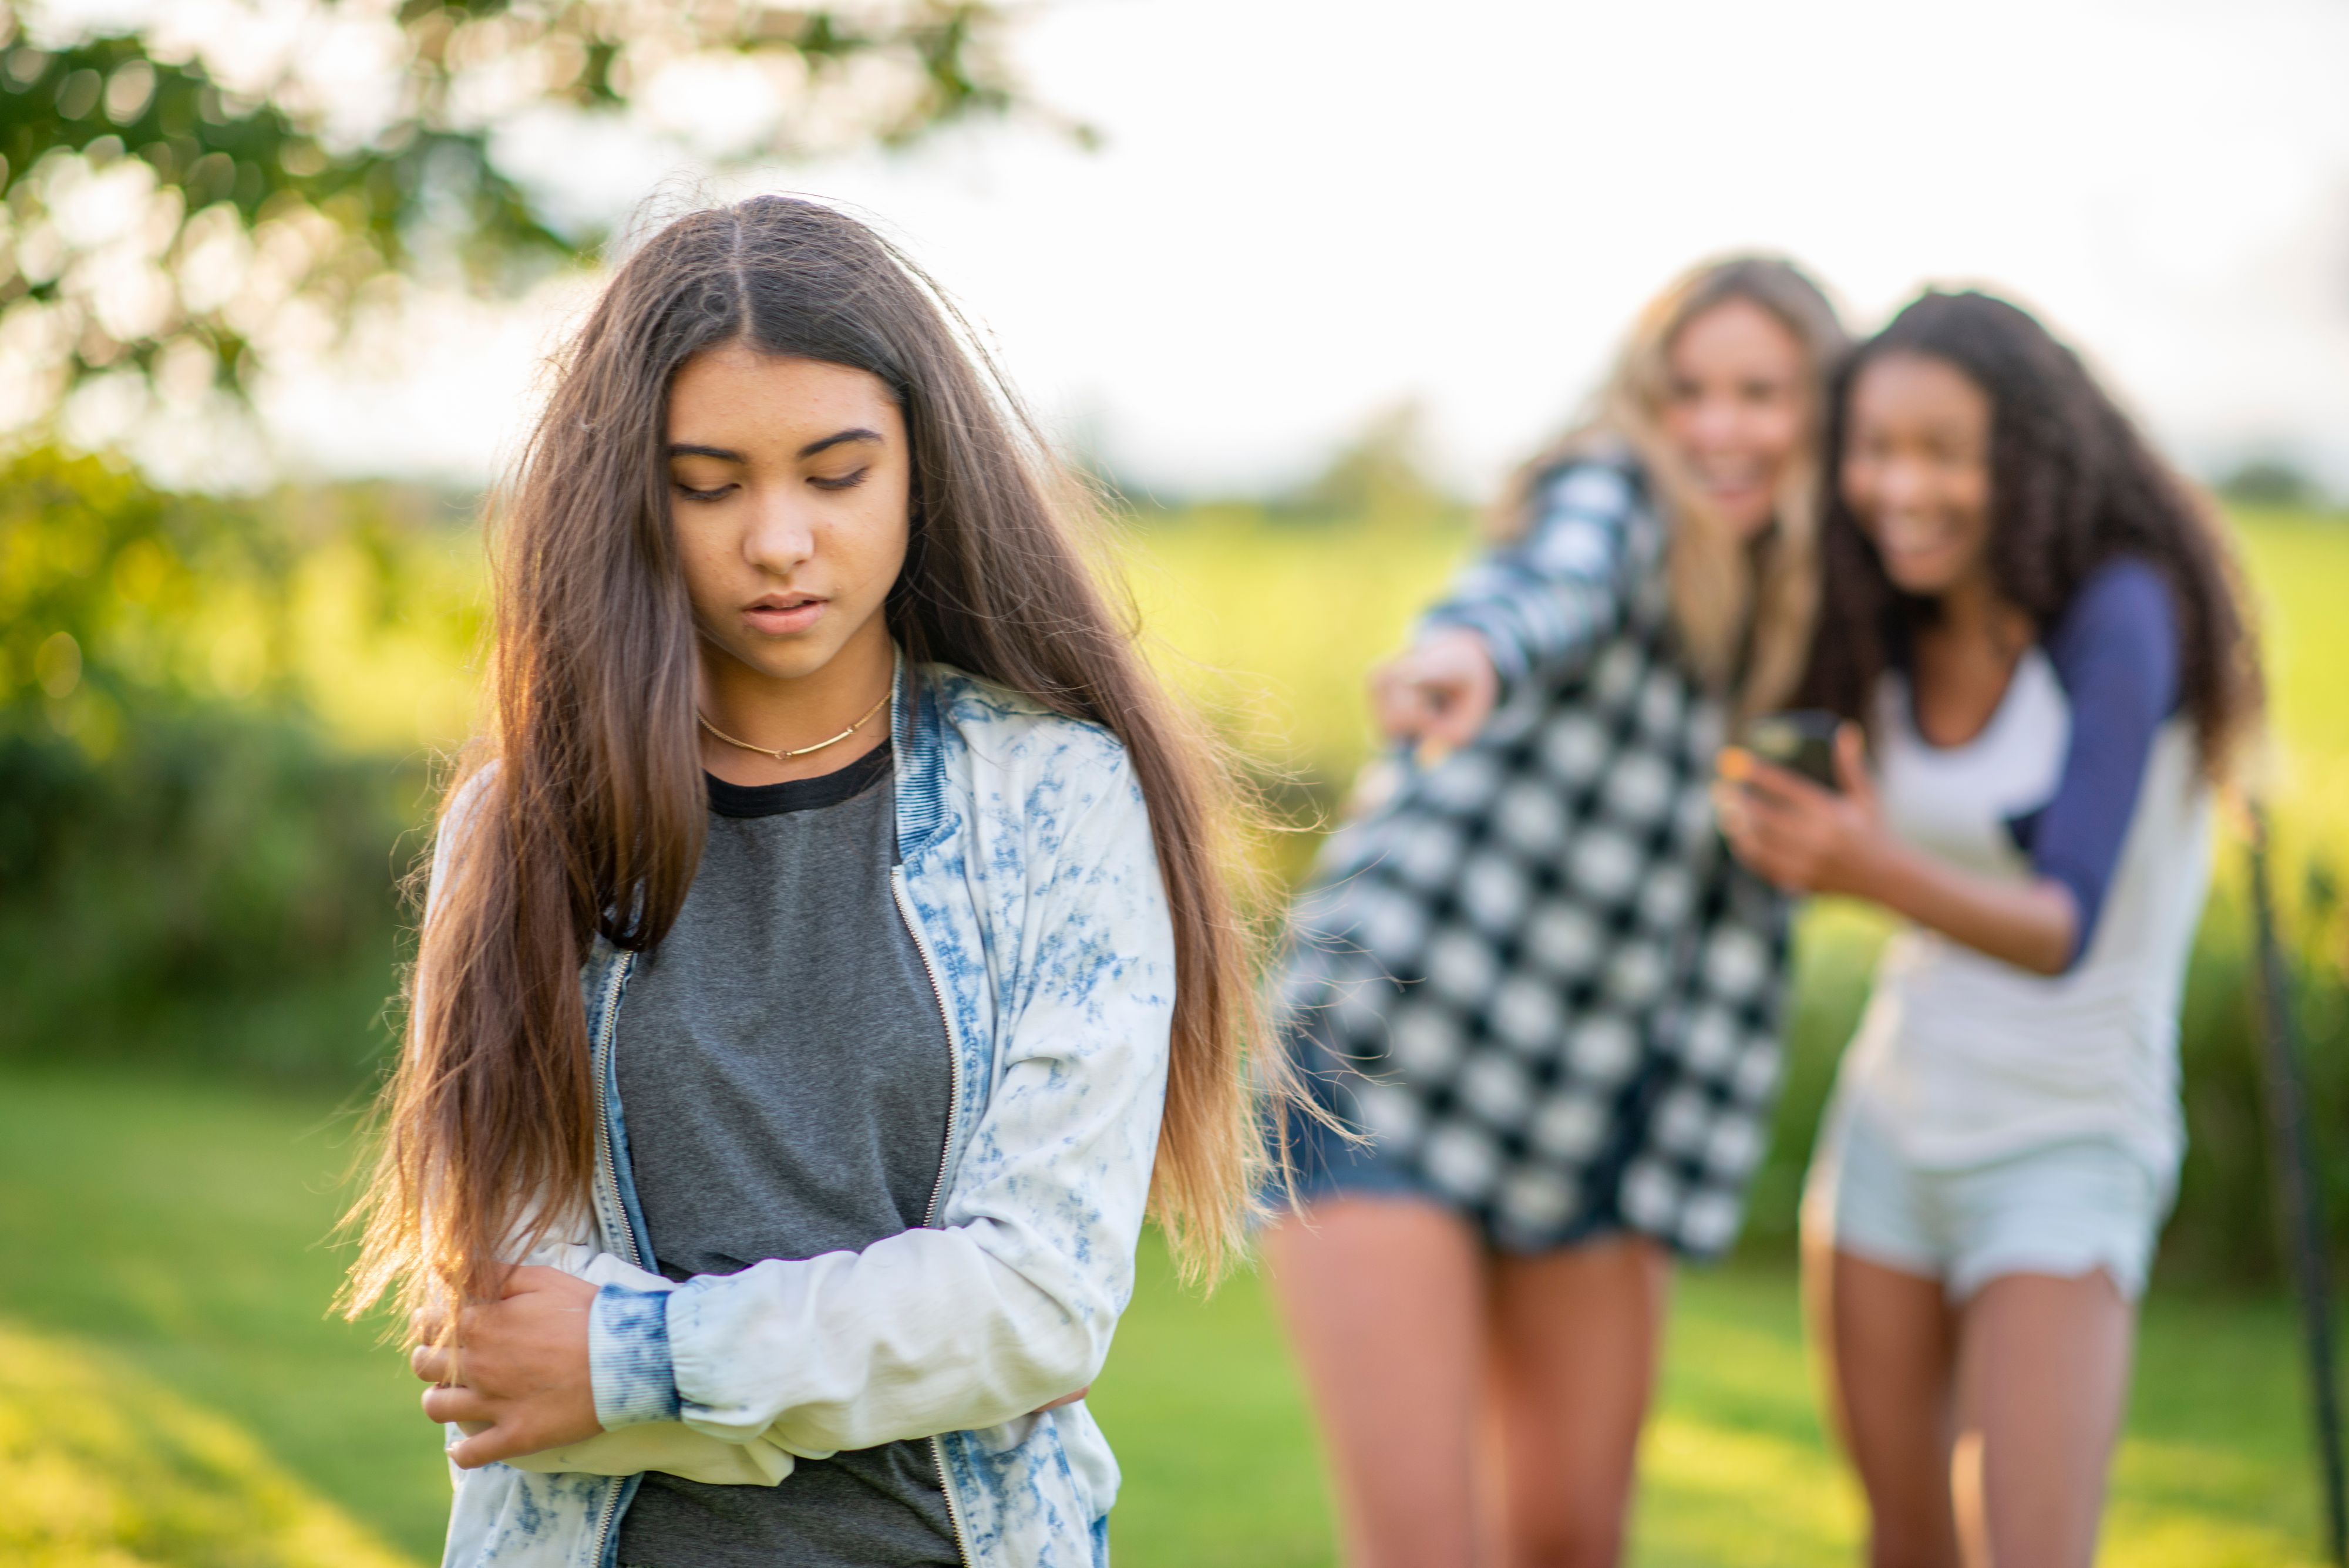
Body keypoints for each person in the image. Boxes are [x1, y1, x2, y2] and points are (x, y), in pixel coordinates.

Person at [339, 196, 1269, 1568]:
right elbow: (501, 1342)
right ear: (628, 495)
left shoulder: (1054, 800)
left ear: (921, 472)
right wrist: (907, 1348)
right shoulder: (520, 827)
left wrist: (632, 1364)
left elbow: (1036, 1303)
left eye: (834, 475)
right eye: (707, 483)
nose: (776, 539)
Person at [1264, 257, 1847, 1568]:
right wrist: (1465, 649)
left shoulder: (1803, 613)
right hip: (1387, 1052)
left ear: (1822, 412)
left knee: (1574, 1540)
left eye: (1760, 394)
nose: (1718, 429)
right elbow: (1547, 582)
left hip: (1582, 1109)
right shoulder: (1620, 493)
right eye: (1686, 391)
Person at [1716, 290, 2263, 1568]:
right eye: (1874, 448)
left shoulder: (2116, 613)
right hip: (1895, 1134)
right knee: (1901, 1544)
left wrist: (1863, 865)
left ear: (2023, 457)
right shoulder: (1886, 619)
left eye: (1942, 453)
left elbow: (2059, 922)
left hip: (2068, 1143)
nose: (1900, 487)